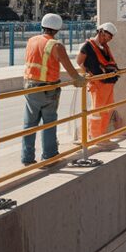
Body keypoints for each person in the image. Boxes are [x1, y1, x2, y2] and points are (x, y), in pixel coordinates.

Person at [22, 13, 85, 165]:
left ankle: (27, 158)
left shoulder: (31, 41)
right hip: (48, 89)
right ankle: (49, 157)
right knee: (49, 123)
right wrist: (79, 80)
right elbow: (69, 68)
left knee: (29, 124)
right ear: (57, 29)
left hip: (29, 87)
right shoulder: (56, 45)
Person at [76, 22, 119, 140]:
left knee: (106, 110)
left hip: (108, 83)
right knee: (97, 112)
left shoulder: (104, 47)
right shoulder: (88, 46)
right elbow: (79, 62)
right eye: (106, 37)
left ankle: (102, 134)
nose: (107, 40)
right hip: (98, 83)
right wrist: (90, 75)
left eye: (110, 38)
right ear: (101, 32)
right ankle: (95, 136)